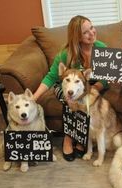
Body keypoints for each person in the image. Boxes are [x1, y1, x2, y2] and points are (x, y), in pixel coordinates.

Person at [33, 15, 108, 161]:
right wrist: (34, 98)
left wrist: (97, 87)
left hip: (89, 86)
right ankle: (68, 138)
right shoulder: (65, 54)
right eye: (85, 32)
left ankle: (81, 139)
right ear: (77, 37)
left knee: (84, 100)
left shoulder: (102, 48)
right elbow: (51, 77)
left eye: (92, 28)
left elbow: (105, 78)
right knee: (71, 99)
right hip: (67, 86)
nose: (91, 33)